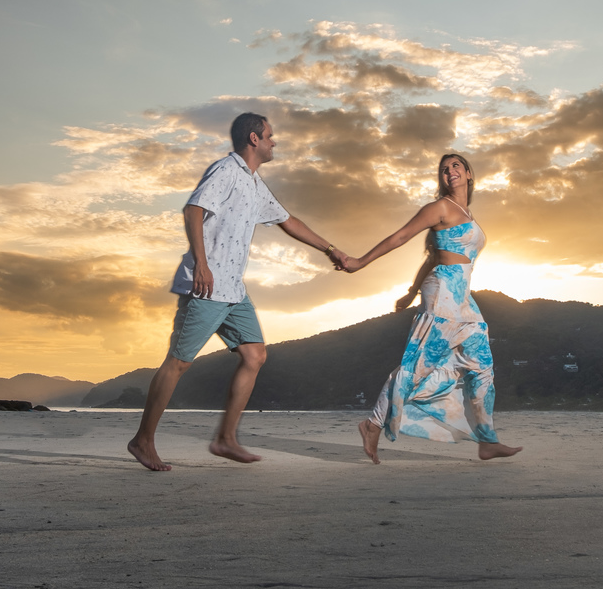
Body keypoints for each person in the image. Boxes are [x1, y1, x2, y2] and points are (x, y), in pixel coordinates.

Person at [127, 112, 347, 471]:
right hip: (208, 285)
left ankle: (225, 438)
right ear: (254, 138)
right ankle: (143, 440)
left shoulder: (255, 183)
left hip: (233, 290)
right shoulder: (227, 170)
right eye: (271, 136)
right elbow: (194, 210)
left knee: (255, 355)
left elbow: (288, 220)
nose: (275, 141)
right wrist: (201, 264)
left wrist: (330, 249)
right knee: (179, 362)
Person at [343, 154, 522, 464]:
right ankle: (372, 424)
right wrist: (360, 262)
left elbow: (431, 256)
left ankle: (487, 440)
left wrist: (411, 291)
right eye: (444, 169)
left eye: (455, 166)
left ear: (468, 173)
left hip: (462, 296)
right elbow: (400, 236)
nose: (449, 172)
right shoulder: (439, 208)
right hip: (442, 294)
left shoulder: (465, 212)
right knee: (419, 365)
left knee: (481, 366)